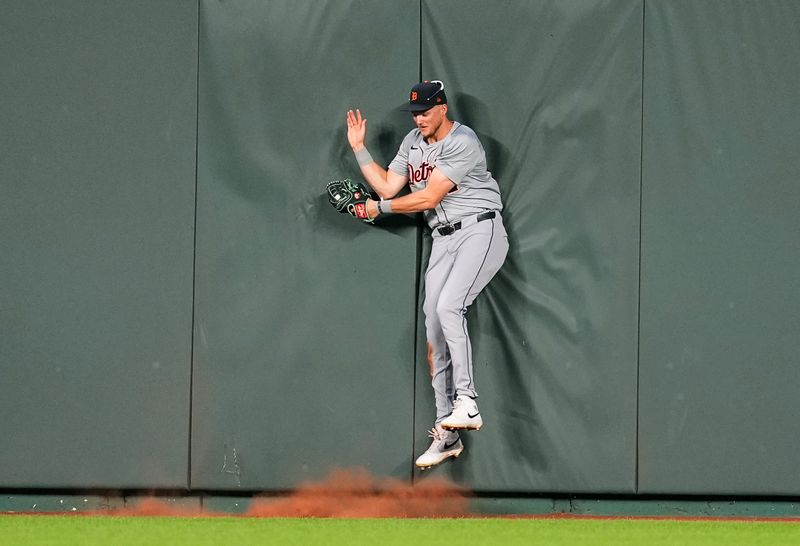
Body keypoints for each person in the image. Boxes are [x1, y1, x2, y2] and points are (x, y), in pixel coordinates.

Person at [346, 80, 509, 469]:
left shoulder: (462, 141)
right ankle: (446, 432)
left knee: (451, 306)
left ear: (442, 108)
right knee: (433, 329)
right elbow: (388, 186)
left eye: (425, 111)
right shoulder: (412, 142)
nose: (418, 118)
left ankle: (466, 402)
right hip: (443, 238)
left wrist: (377, 210)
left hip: (479, 227)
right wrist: (359, 149)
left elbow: (429, 197)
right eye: (414, 112)